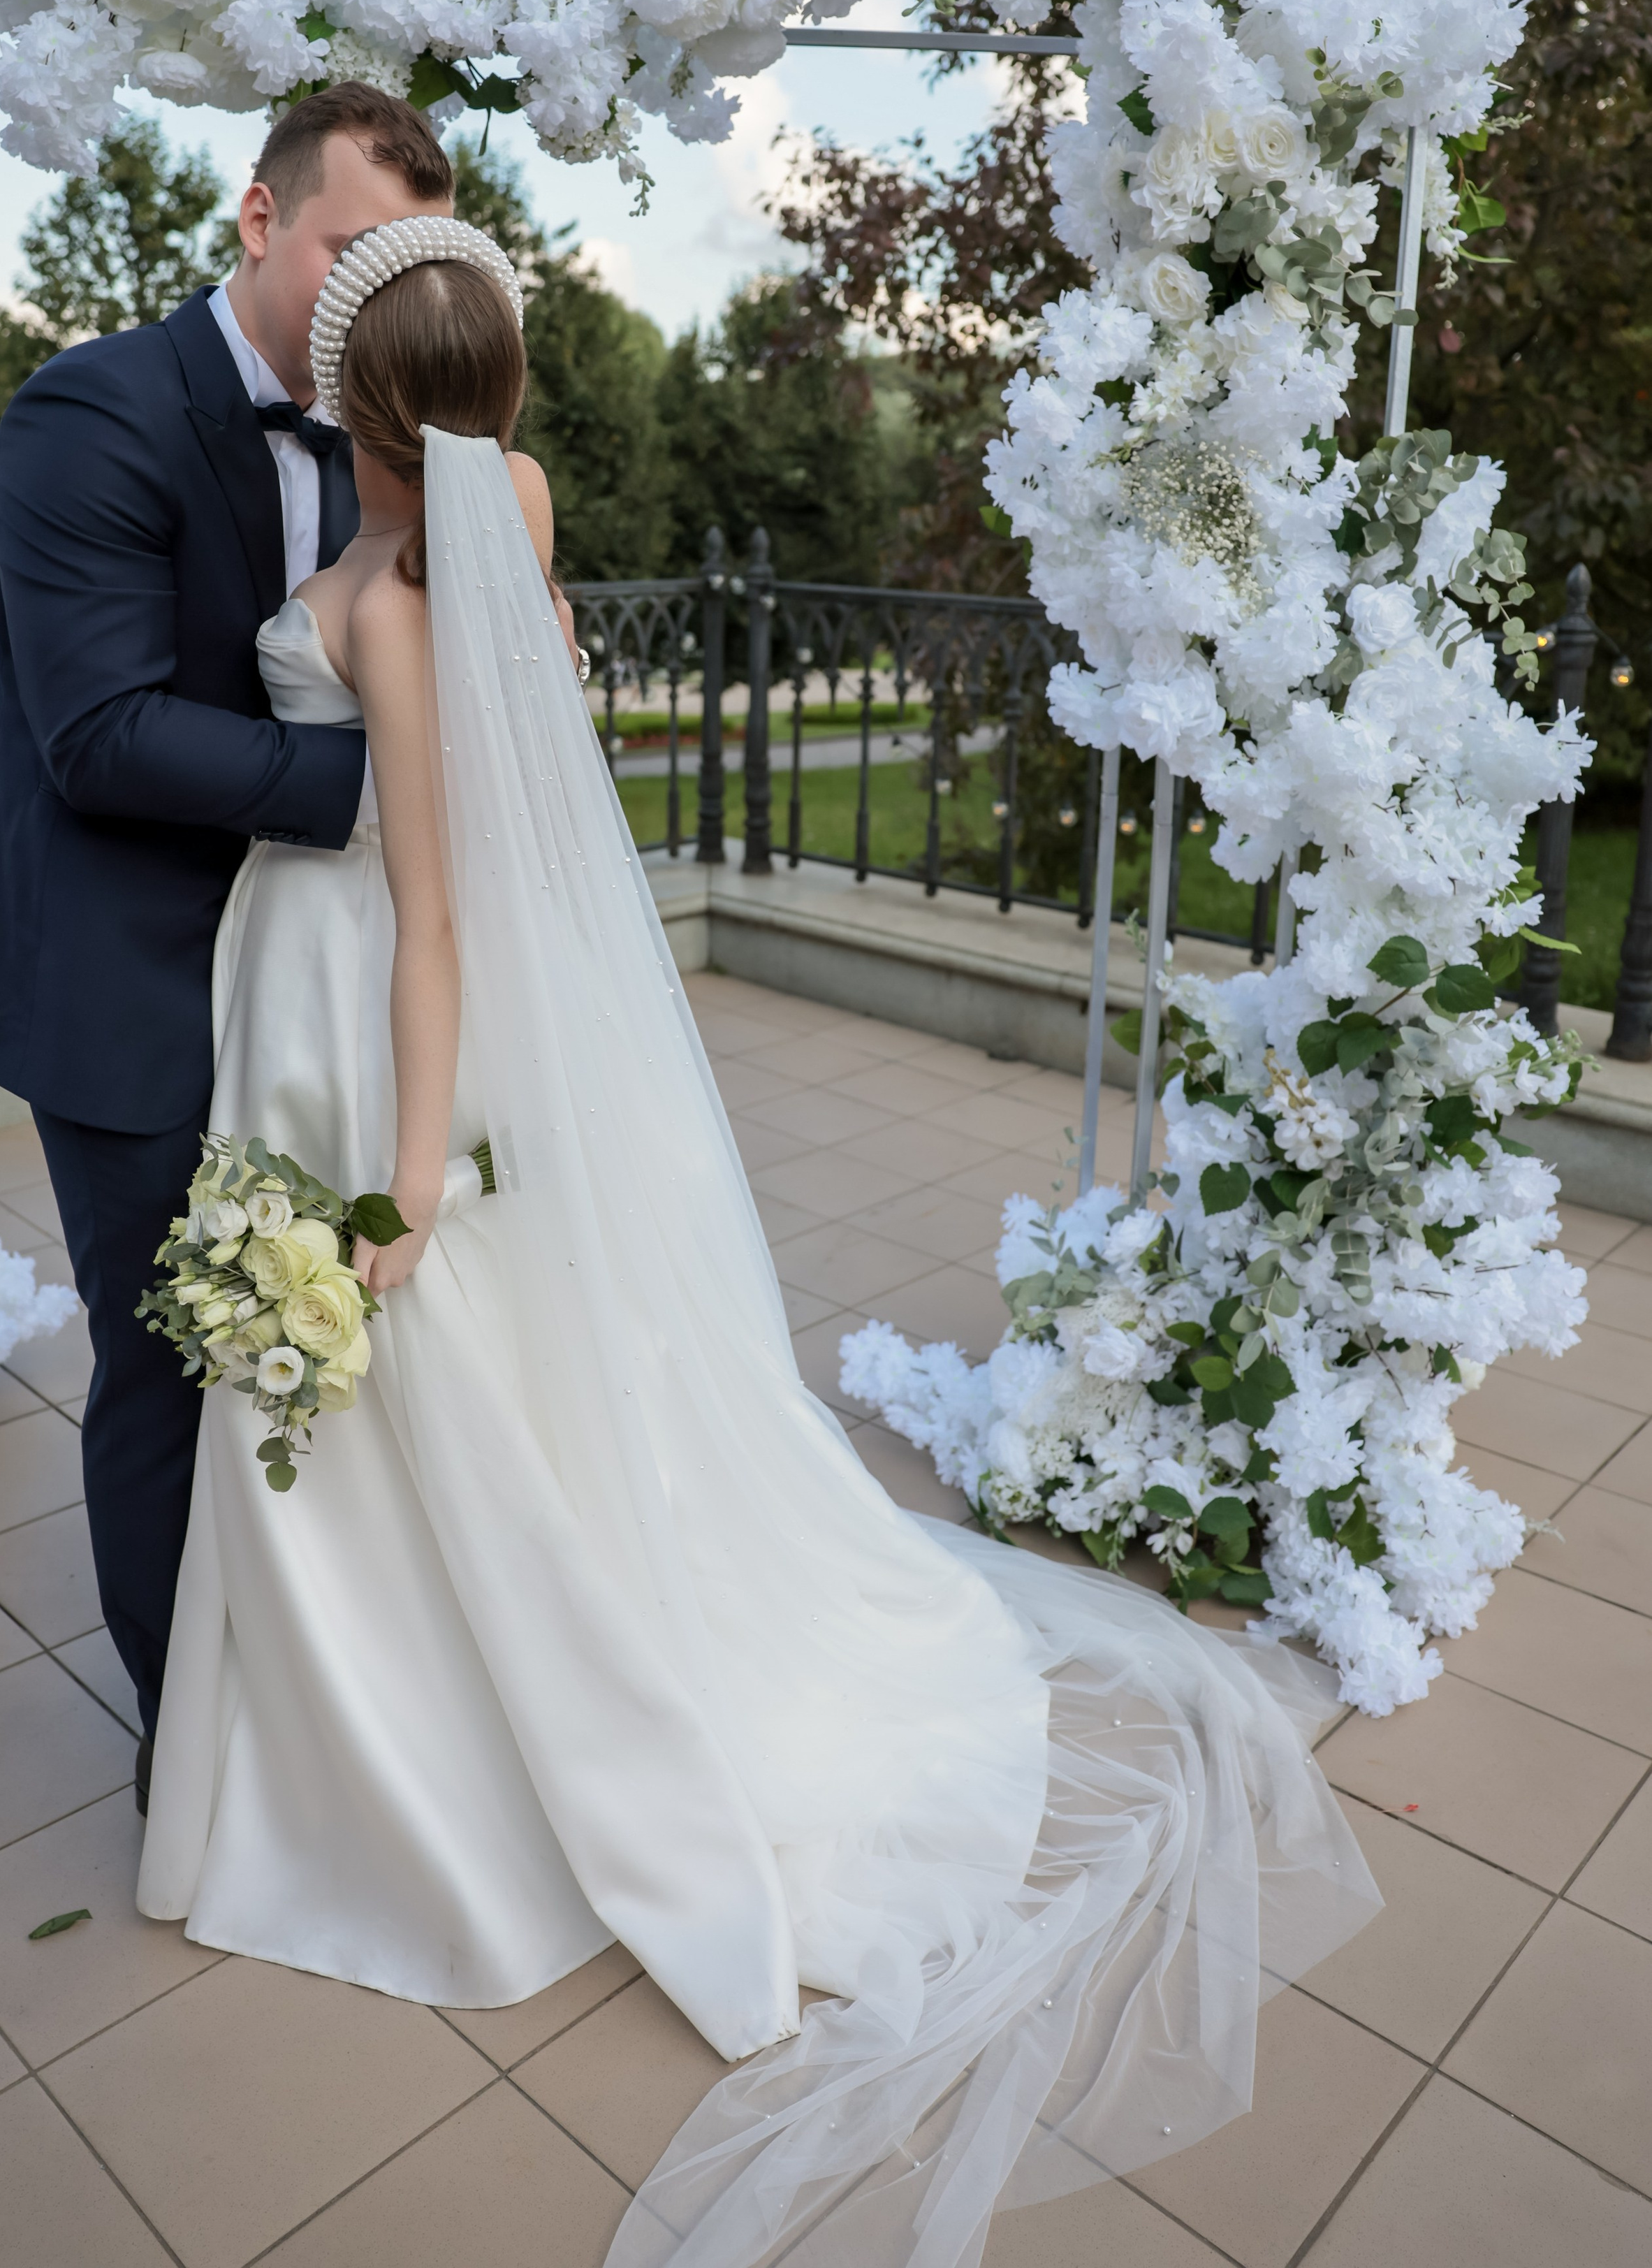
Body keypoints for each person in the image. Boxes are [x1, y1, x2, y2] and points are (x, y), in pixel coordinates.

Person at [136, 217, 1379, 2268]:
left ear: (351, 409)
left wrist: (411, 1182)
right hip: (345, 1004)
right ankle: (338, 1759)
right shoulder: (504, 494)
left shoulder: (390, 596)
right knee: (456, 1416)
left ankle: (418, 1797)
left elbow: (435, 910)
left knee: (425, 1389)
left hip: (382, 1029)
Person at [0, 85, 457, 1795]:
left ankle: (327, 1696)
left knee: (327, 1348)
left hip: (316, 978)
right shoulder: (87, 414)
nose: (361, 301)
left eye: (397, 266)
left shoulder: (404, 429)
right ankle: (203, 1761)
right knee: (174, 1368)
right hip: (129, 978)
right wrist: (395, 783)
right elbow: (100, 733)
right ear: (256, 221)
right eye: (338, 253)